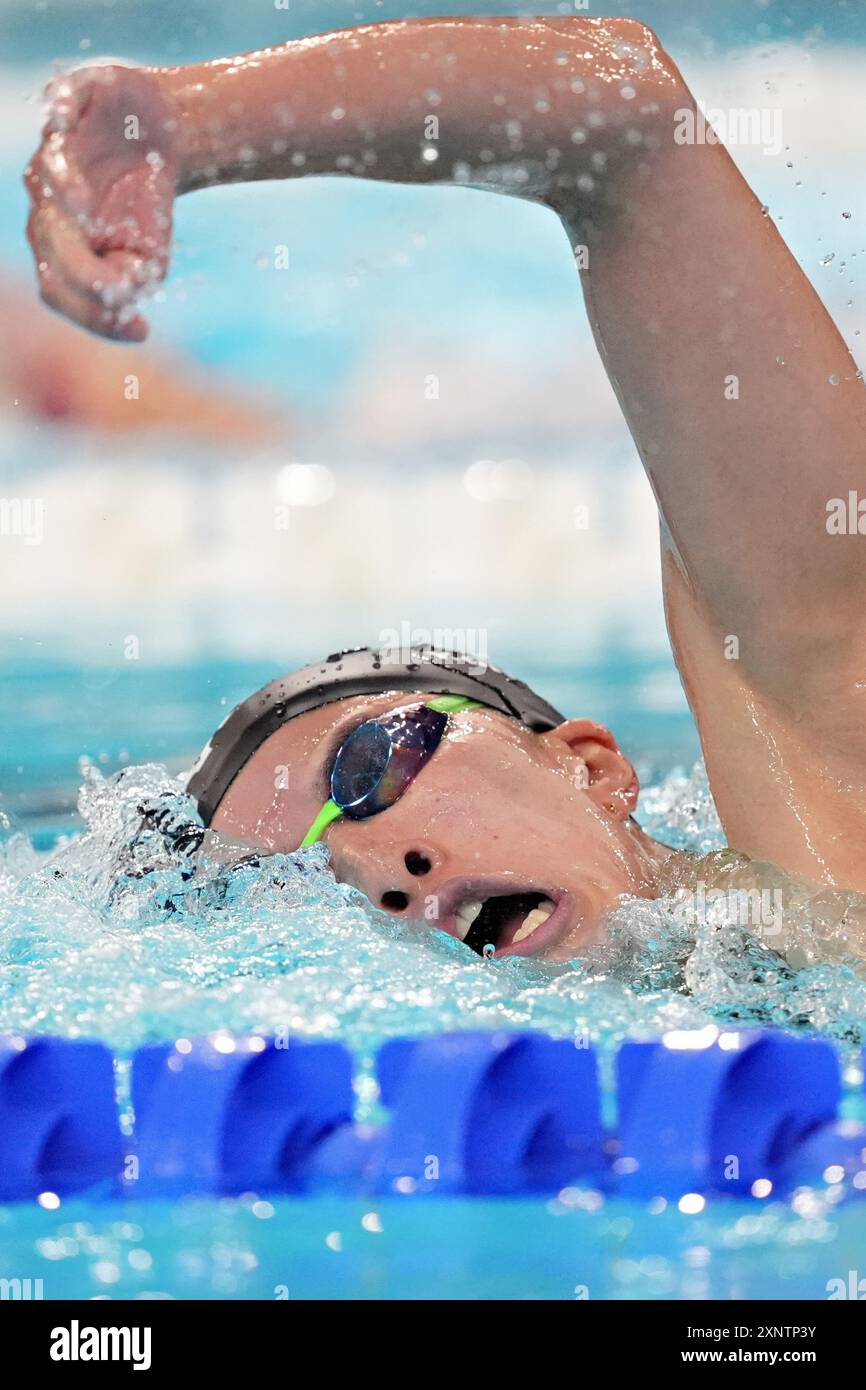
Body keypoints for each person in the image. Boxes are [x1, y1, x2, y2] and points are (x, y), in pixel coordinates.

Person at [23, 17, 866, 960]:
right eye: (295, 887)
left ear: (591, 765)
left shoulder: (830, 802)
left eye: (369, 768)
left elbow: (626, 123)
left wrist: (186, 122)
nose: (378, 873)